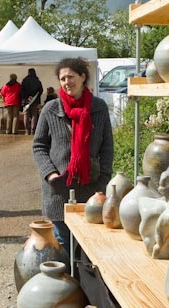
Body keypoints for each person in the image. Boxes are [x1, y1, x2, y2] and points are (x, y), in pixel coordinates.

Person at [32, 58, 114, 252]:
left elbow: (107, 148)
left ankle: (86, 282)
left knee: (89, 247)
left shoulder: (99, 108)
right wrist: (50, 174)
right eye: (62, 78)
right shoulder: (51, 109)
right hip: (59, 191)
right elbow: (38, 146)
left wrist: (103, 180)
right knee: (64, 245)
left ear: (82, 77)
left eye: (71, 77)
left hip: (91, 191)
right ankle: (69, 281)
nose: (67, 82)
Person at [21, 68, 43, 135]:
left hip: (26, 100)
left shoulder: (24, 80)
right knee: (34, 115)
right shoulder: (37, 81)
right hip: (35, 100)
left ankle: (27, 131)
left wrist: (27, 97)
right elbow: (41, 90)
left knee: (26, 115)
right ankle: (33, 130)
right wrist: (34, 96)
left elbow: (22, 91)